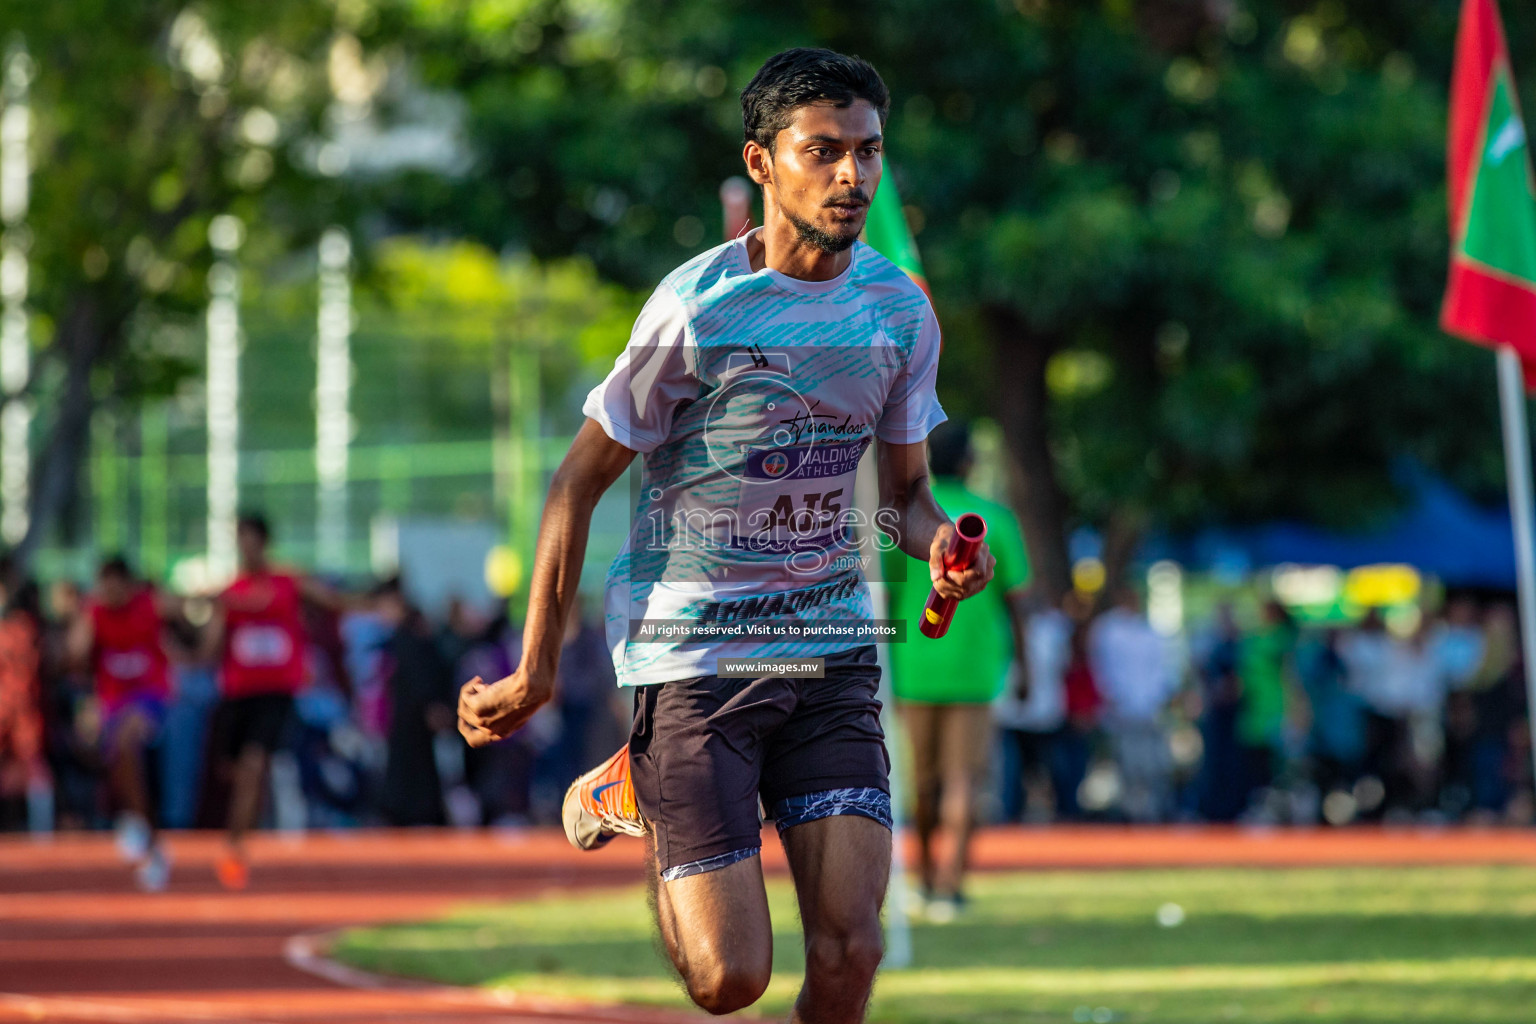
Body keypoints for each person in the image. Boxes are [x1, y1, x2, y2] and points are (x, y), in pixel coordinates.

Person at [457, 49, 993, 1022]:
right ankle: (644, 777)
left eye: (867, 152)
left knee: (852, 946)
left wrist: (944, 548)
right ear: (761, 165)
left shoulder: (900, 311)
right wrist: (535, 670)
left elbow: (906, 497)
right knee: (727, 979)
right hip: (693, 661)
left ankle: (664, 783)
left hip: (828, 657)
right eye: (822, 151)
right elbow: (576, 487)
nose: (852, 176)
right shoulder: (694, 308)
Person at [885, 420, 1029, 921]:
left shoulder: (902, 519)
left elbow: (883, 597)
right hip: (975, 666)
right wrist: (1027, 667)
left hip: (912, 662)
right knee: (965, 779)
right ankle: (951, 888)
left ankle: (923, 881)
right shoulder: (994, 519)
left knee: (922, 781)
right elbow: (1017, 603)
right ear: (970, 460)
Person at [200, 513, 347, 888]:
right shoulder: (230, 592)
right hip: (238, 694)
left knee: (253, 765)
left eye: (250, 539)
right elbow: (209, 649)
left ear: (263, 542)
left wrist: (373, 604)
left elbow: (331, 601)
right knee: (236, 774)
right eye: (240, 540)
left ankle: (236, 850)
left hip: (276, 693)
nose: (245, 547)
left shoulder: (288, 583)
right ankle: (245, 828)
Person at [67, 556, 176, 889]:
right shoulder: (95, 613)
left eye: (117, 586)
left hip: (150, 697)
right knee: (113, 754)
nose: (111, 593)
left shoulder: (151, 606)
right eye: (105, 587)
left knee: (127, 738)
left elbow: (186, 615)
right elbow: (75, 659)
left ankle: (142, 829)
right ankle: (138, 823)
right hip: (111, 702)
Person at [1089, 588, 1178, 822]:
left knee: (1153, 764)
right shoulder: (1107, 629)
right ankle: (1131, 812)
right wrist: (1111, 696)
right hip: (1122, 708)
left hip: (1149, 708)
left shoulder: (1149, 631)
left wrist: (1160, 697)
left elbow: (1161, 669)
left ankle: (1153, 810)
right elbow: (1101, 667)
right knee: (1128, 763)